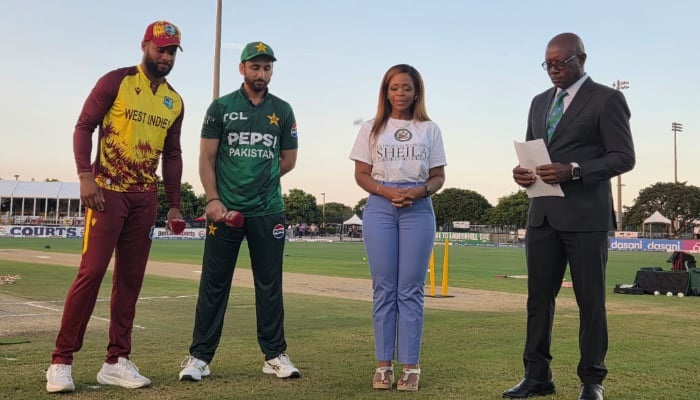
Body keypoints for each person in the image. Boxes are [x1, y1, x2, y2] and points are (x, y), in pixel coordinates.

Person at [46, 21, 185, 393]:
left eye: (172, 51)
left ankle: (116, 361)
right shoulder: (116, 81)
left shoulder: (174, 101)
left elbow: (172, 154)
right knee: (91, 273)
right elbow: (84, 126)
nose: (166, 57)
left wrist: (174, 204)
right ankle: (61, 361)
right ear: (144, 46)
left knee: (130, 280)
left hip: (145, 198)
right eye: (161, 49)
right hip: (106, 192)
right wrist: (85, 176)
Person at [504, 33, 635, 400]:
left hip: (586, 219)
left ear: (582, 59)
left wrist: (574, 170)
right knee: (538, 301)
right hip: (542, 215)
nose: (553, 70)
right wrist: (522, 173)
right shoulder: (538, 102)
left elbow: (624, 157)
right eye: (548, 64)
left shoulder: (607, 99)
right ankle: (536, 377)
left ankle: (592, 381)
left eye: (560, 63)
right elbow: (533, 152)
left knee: (590, 303)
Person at [178, 41, 300, 382]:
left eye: (267, 67)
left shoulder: (283, 110)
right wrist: (213, 199)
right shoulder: (221, 107)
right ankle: (199, 357)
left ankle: (274, 355)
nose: (261, 73)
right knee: (214, 285)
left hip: (268, 211)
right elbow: (206, 158)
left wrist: (261, 180)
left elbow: (289, 159)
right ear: (242, 68)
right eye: (255, 66)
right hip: (225, 211)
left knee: (269, 285)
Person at [349, 64, 446, 391]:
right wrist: (387, 192)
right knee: (384, 288)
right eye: (394, 88)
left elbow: (438, 177)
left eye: (406, 87)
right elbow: (361, 174)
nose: (400, 93)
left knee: (410, 288)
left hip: (418, 208)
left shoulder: (429, 129)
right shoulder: (371, 128)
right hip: (380, 206)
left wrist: (420, 191)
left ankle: (411, 366)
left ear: (417, 92)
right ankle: (383, 365)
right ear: (385, 92)